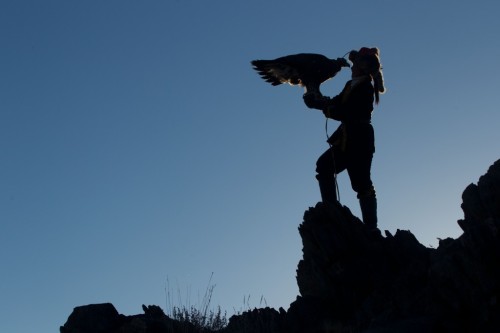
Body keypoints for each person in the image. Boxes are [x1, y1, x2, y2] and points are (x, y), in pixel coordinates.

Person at [303, 47, 385, 230]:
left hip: (360, 140)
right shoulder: (352, 84)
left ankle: (371, 228)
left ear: (362, 67)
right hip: (346, 139)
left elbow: (350, 112)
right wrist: (318, 102)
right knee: (324, 166)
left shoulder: (365, 87)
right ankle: (332, 211)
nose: (352, 65)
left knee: (362, 183)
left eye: (355, 62)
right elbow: (338, 102)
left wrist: (329, 109)